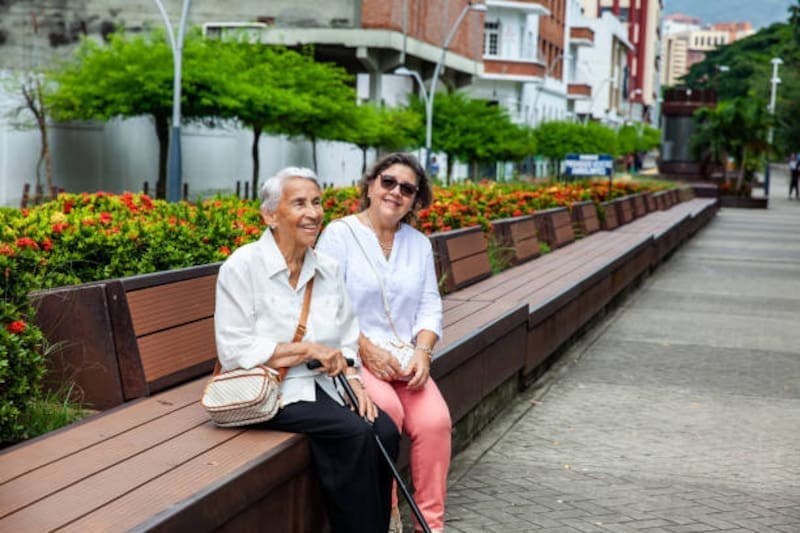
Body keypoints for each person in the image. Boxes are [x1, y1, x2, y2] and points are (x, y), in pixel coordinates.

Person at [214, 167, 399, 533]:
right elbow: (234, 349)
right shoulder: (242, 266)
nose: (313, 213)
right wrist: (307, 349)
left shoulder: (327, 268)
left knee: (385, 430)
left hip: (322, 388)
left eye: (316, 202)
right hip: (269, 390)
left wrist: (354, 379)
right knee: (353, 432)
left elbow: (347, 336)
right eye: (299, 203)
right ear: (270, 215)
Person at [317, 152, 451, 533]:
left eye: (407, 188)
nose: (396, 192)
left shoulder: (418, 244)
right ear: (371, 186)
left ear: (415, 200)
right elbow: (328, 303)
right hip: (357, 359)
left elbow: (429, 304)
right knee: (387, 413)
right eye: (388, 182)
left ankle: (429, 526)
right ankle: (387, 518)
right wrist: (365, 349)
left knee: (435, 422)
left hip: (405, 359)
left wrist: (424, 353)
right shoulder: (339, 234)